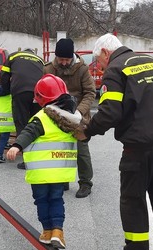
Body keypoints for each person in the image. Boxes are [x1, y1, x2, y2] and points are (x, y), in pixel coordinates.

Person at [74, 33, 153, 250]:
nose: (99, 66)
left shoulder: (116, 69)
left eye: (98, 61)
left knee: (133, 201)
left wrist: (88, 131)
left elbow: (110, 111)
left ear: (106, 53)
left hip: (140, 147)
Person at [6, 74, 81, 249]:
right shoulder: (73, 118)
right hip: (60, 172)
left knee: (41, 200)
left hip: (41, 173)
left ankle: (47, 231)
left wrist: (16, 146)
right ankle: (58, 232)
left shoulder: (42, 117)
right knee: (56, 199)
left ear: (41, 98)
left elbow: (28, 132)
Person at [44, 38, 96, 198]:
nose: (64, 63)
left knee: (81, 151)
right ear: (56, 57)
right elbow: (44, 90)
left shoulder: (82, 69)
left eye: (67, 59)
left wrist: (79, 111)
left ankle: (85, 183)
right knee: (59, 150)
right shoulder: (49, 69)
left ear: (72, 56)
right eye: (61, 59)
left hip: (78, 116)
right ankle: (63, 180)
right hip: (57, 115)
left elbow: (90, 92)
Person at [0, 48, 44, 169]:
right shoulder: (40, 60)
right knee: (36, 124)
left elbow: (4, 75)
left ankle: (27, 160)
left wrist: (7, 90)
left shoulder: (13, 56)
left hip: (20, 92)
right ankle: (38, 157)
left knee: (22, 124)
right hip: (39, 94)